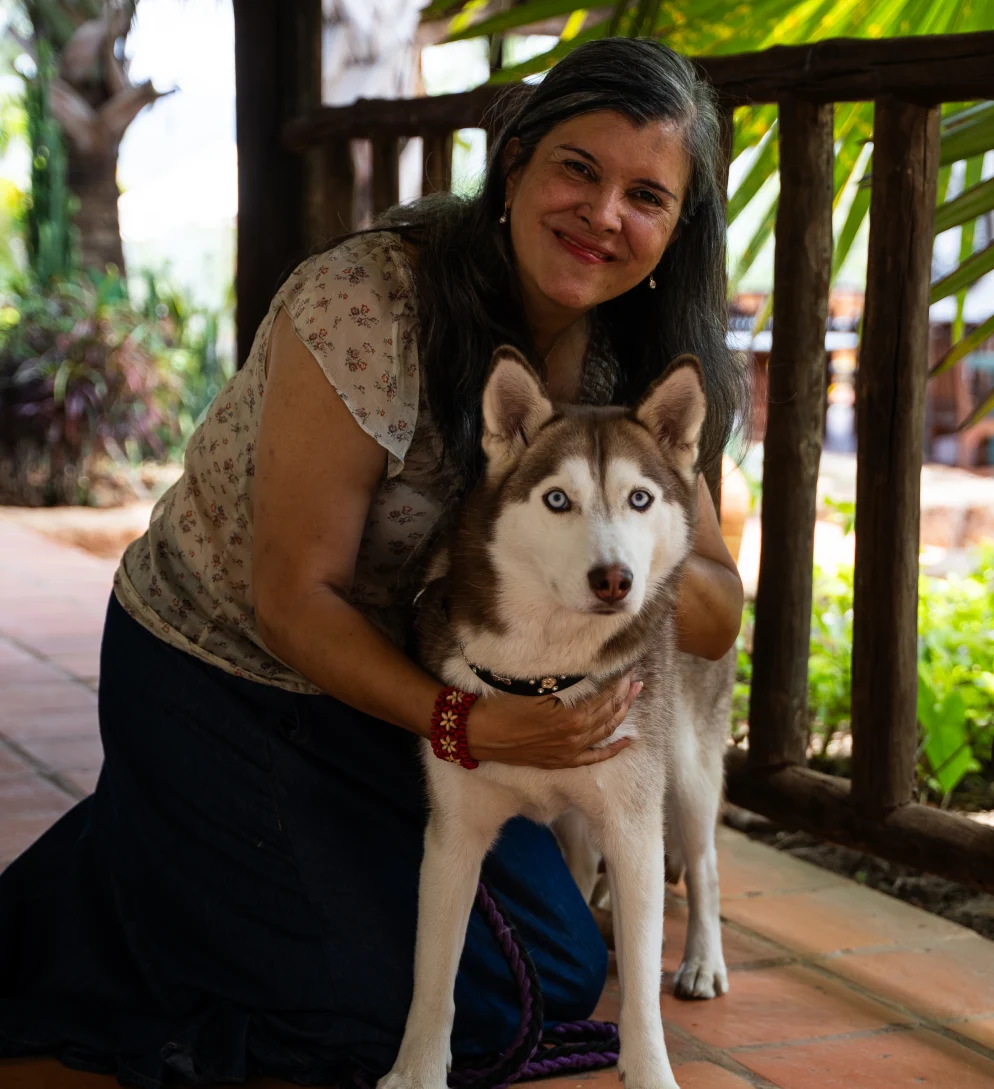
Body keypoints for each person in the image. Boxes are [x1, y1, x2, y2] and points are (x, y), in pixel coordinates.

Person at [0, 37, 744, 1089]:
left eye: (647, 196)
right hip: (225, 667)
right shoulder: (369, 303)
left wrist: (638, 536)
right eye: (578, 168)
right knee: (431, 1001)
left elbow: (712, 610)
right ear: (518, 162)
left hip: (401, 686)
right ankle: (145, 917)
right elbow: (293, 600)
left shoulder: (636, 374)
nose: (604, 213)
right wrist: (467, 724)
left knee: (552, 967)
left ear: (674, 231)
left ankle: (169, 851)